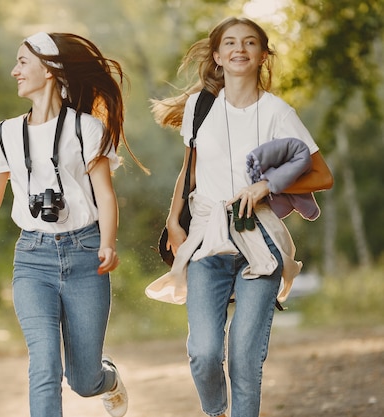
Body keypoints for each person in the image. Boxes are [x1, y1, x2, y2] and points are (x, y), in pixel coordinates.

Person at [146, 17, 333, 417]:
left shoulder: (278, 112)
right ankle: (216, 413)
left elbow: (322, 175)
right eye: (230, 43)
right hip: (205, 235)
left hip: (259, 239)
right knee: (204, 352)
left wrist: (266, 186)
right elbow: (189, 170)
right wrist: (173, 220)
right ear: (217, 55)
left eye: (250, 43)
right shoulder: (200, 106)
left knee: (245, 358)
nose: (239, 49)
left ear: (263, 55)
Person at [0, 32, 146, 417]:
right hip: (32, 257)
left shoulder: (86, 129)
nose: (15, 71)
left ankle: (106, 379)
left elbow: (105, 196)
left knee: (83, 380)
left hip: (84, 255)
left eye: (23, 62)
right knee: (44, 364)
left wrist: (108, 243)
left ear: (50, 70)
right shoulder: (5, 133)